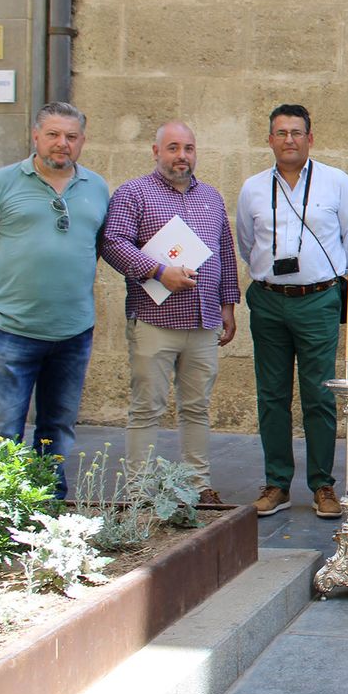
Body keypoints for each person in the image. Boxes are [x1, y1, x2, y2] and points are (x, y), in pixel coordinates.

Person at [0, 102, 110, 494]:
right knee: (4, 427)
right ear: (36, 136)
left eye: (71, 137)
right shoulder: (2, 182)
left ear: (82, 141)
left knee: (57, 426)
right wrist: (4, 290)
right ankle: (2, 507)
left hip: (74, 330)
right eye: (54, 135)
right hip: (14, 330)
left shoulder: (96, 187)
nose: (63, 144)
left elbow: (94, 246)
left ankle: (48, 502)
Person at [100, 122, 240, 504]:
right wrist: (160, 271)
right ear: (156, 151)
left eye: (189, 148)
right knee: (147, 407)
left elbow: (224, 254)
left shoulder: (211, 198)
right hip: (154, 320)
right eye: (174, 147)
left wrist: (227, 305)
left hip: (203, 321)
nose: (182, 156)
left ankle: (197, 484)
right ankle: (139, 489)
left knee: (197, 408)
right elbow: (113, 243)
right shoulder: (134, 193)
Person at [235, 104, 348, 519]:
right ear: (269, 139)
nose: (289, 139)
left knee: (319, 395)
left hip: (318, 298)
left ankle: (323, 484)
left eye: (297, 132)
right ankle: (276, 483)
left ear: (310, 138)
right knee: (271, 395)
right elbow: (246, 243)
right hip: (268, 299)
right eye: (281, 132)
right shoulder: (252, 188)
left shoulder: (336, 183)